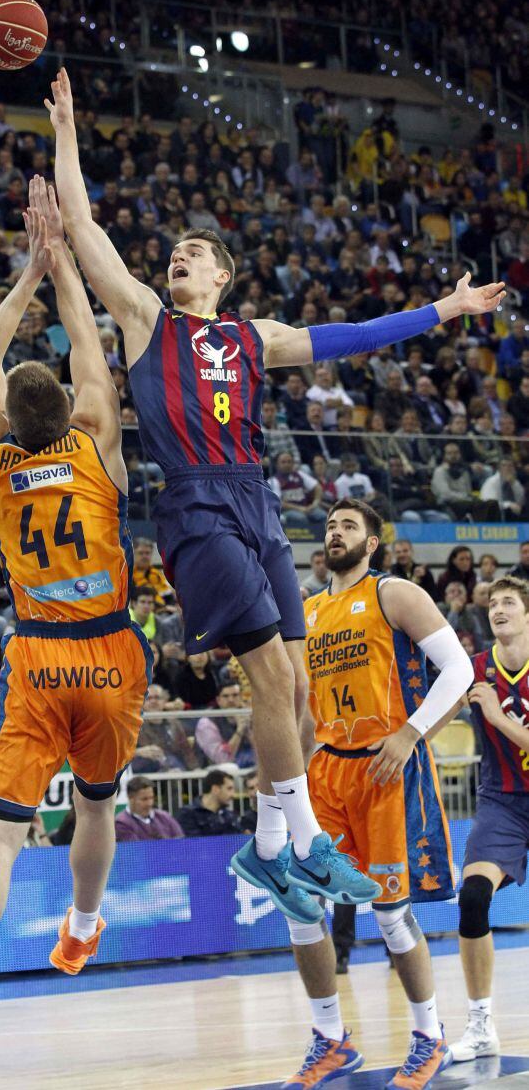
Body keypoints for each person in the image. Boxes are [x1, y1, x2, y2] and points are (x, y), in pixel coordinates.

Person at [48, 65, 501, 922]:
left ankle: (264, 850)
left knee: (294, 689)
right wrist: (67, 127)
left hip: (256, 500)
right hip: (193, 502)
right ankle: (303, 844)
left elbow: (356, 335)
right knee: (265, 674)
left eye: (194, 253)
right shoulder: (147, 319)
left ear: (222, 274)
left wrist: (442, 310)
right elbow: (80, 224)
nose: (177, 256)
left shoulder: (257, 337)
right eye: (173, 252)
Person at [0, 178, 151, 1058]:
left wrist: (24, 277)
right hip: (111, 655)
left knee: (2, 831)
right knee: (96, 807)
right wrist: (61, 266)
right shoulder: (96, 439)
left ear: (4, 423)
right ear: (67, 409)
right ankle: (85, 926)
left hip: (39, 659)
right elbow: (93, 347)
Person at [277, 498, 472, 1088]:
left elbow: (460, 672)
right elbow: (302, 709)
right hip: (327, 774)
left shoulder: (395, 594)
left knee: (390, 914)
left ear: (373, 542)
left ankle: (429, 1037)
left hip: (388, 769)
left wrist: (410, 733)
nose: (336, 533)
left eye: (349, 526)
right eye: (331, 525)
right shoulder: (308, 609)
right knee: (300, 907)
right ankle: (330, 1038)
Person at [450, 577, 529, 1063]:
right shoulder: (474, 670)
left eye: (508, 602)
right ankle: (480, 1025)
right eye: (492, 602)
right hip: (502, 801)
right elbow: (436, 710)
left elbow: (505, 727)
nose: (497, 608)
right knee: (473, 897)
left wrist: (499, 721)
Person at [195, 681, 255, 767]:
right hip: (215, 772)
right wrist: (240, 730)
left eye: (235, 695)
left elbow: (264, 753)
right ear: (218, 700)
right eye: (226, 696)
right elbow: (222, 759)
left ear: (241, 697)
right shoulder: (206, 723)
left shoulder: (249, 715)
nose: (231, 700)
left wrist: (249, 730)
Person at [114, 775, 184, 841]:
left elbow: (181, 840)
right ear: (130, 798)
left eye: (151, 798)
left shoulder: (165, 816)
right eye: (144, 799)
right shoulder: (121, 823)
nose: (149, 803)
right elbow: (136, 850)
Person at [175, 769, 241, 836]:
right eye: (229, 789)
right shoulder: (188, 814)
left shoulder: (229, 816)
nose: (233, 795)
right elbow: (193, 844)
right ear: (215, 789)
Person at [131, 536, 172, 607]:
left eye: (147, 553)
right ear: (133, 554)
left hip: (161, 612)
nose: (144, 556)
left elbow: (168, 597)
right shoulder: (126, 575)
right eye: (141, 553)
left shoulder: (157, 575)